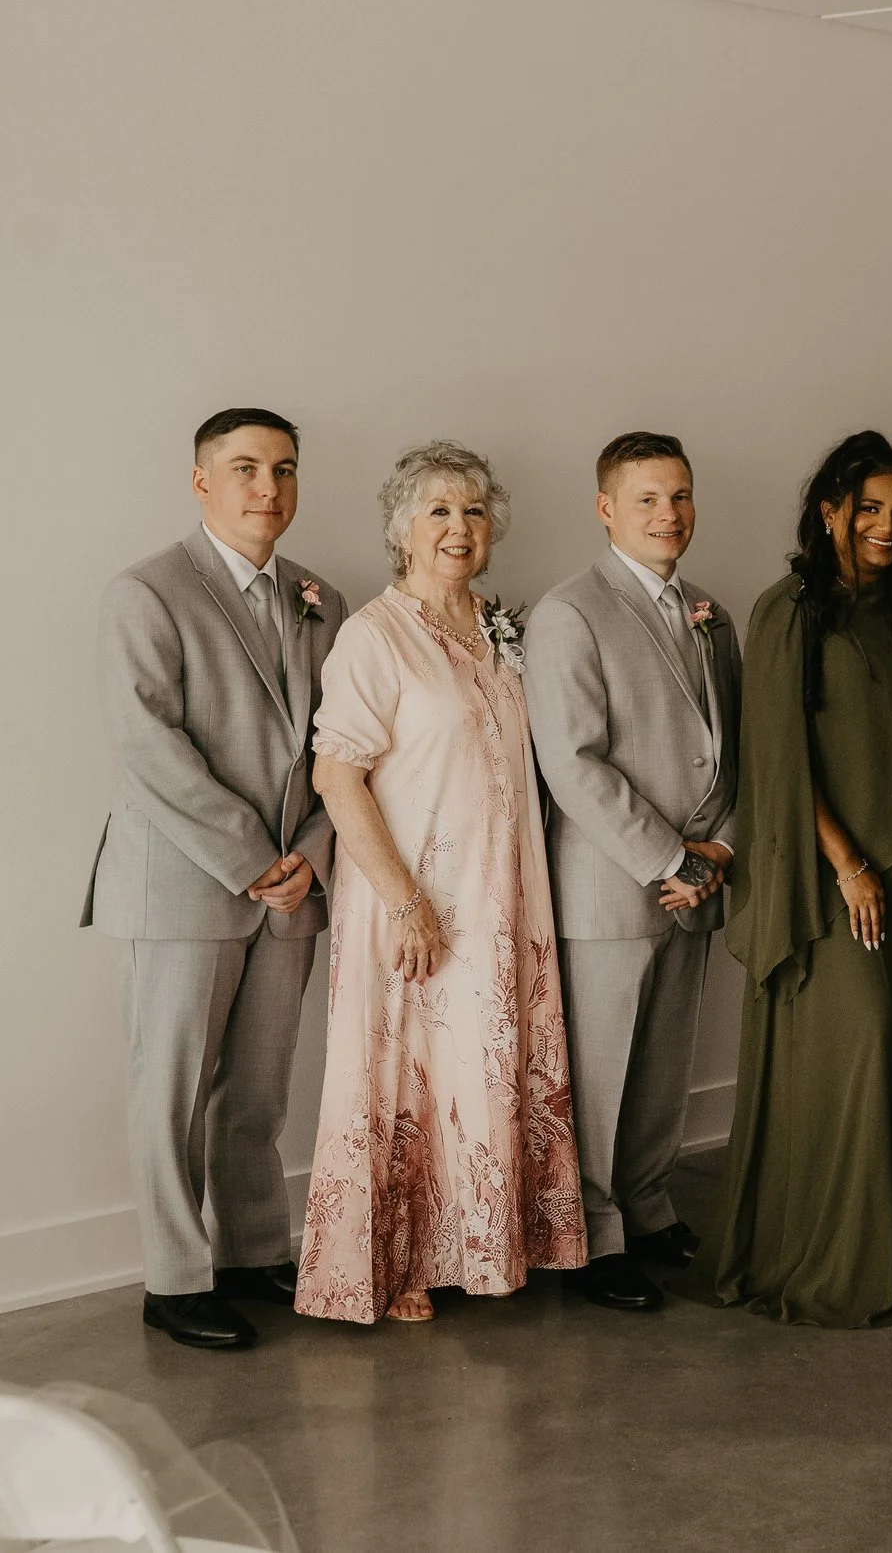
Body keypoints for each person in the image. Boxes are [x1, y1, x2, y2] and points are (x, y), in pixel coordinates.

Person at [296, 442, 587, 1323]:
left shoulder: (501, 629)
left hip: (502, 892)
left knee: (480, 1065)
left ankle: (489, 1245)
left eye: (473, 511)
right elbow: (336, 777)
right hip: (414, 898)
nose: (459, 528)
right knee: (413, 1074)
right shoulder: (373, 635)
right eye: (438, 511)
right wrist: (407, 902)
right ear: (402, 529)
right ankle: (399, 1262)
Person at [682, 432, 892, 1328]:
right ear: (830, 510)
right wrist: (848, 865)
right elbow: (778, 757)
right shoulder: (789, 611)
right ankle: (831, 1256)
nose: (888, 526)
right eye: (870, 508)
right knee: (863, 1041)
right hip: (829, 872)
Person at [86, 408, 343, 1350]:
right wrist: (251, 855)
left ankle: (251, 1251)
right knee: (173, 1093)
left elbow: (344, 743)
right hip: (185, 883)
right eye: (244, 468)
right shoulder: (146, 591)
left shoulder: (324, 598)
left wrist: (312, 851)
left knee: (259, 1089)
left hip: (291, 887)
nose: (267, 487)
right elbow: (148, 744)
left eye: (284, 468)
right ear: (202, 481)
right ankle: (175, 1280)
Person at [524, 432, 741, 1313]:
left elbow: (735, 750)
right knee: (601, 1071)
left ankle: (648, 1205)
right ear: (606, 508)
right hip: (613, 884)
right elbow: (572, 763)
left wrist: (720, 849)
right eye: (647, 498)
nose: (668, 514)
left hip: (698, 878)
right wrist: (669, 857)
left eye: (680, 495)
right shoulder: (569, 612)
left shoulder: (710, 612)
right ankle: (590, 1237)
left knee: (664, 1063)